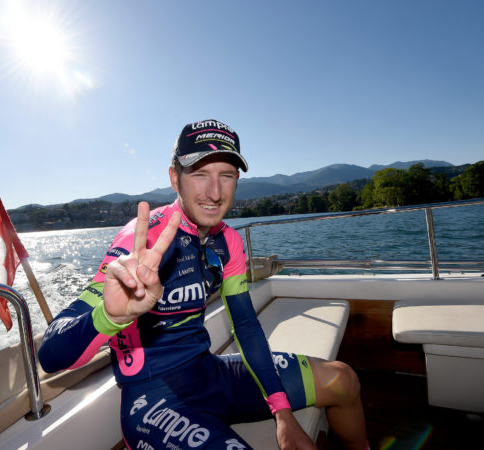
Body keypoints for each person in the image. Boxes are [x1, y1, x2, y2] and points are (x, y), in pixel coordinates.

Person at [38, 119, 368, 449]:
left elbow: (245, 325)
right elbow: (51, 356)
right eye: (200, 174)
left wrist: (281, 411)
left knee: (343, 380)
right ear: (174, 178)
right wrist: (110, 316)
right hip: (155, 400)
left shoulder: (228, 242)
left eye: (226, 175)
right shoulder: (140, 242)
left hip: (211, 373)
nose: (215, 192)